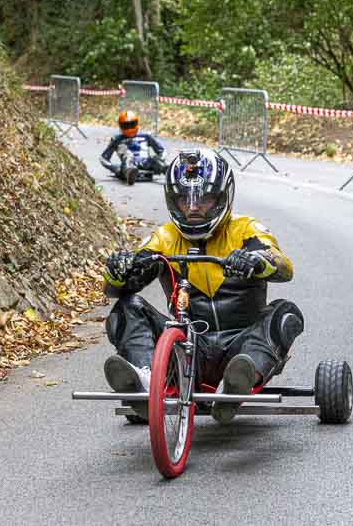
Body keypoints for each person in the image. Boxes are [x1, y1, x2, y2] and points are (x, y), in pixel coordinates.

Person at [101, 148, 304, 424]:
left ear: (223, 197)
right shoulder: (164, 237)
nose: (193, 208)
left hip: (241, 344)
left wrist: (256, 261)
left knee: (285, 312)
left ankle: (241, 378)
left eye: (204, 199)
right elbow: (120, 286)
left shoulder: (245, 229)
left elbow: (283, 266)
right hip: (187, 347)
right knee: (127, 308)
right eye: (184, 199)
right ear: (173, 200)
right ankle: (145, 380)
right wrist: (119, 272)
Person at [99, 111, 168, 185]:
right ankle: (130, 173)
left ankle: (169, 171)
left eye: (132, 125)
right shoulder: (117, 139)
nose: (129, 128)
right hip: (128, 163)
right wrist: (116, 169)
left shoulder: (146, 136)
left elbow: (162, 151)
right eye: (126, 126)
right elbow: (103, 158)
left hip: (146, 162)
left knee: (157, 160)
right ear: (121, 126)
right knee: (125, 152)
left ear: (137, 124)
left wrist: (160, 158)